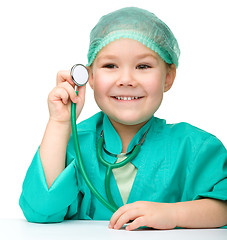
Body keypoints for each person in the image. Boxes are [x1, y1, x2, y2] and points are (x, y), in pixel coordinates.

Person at [19, 7, 227, 231]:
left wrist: (174, 214)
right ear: (90, 76)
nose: (126, 79)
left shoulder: (197, 148)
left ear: (168, 77)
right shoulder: (71, 145)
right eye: (110, 66)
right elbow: (40, 211)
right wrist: (59, 123)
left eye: (143, 66)